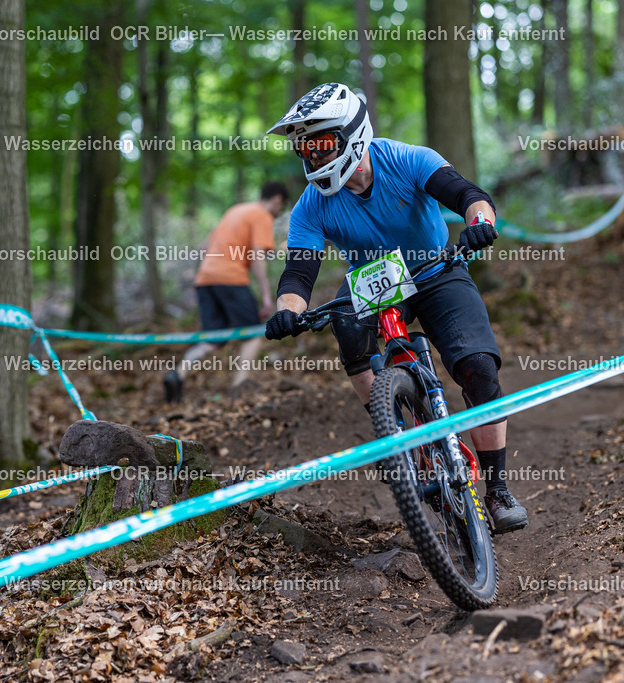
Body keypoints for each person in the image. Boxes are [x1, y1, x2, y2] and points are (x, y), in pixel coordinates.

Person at [263, 83, 527, 533]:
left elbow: (468, 194)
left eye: (322, 145)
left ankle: (498, 490)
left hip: (434, 270)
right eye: (305, 150)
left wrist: (480, 223)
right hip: (373, 286)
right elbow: (298, 274)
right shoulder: (311, 205)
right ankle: (393, 431)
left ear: (352, 134)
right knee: (345, 327)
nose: (313, 159)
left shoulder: (407, 158)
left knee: (479, 368)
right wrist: (288, 310)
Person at [163, 181, 290, 402]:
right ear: (277, 200)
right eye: (281, 208)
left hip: (205, 279)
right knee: (253, 333)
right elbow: (257, 255)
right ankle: (239, 386)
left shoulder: (235, 210)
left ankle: (177, 374)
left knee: (213, 337)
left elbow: (205, 246)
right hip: (230, 278)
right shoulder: (261, 215)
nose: (278, 214)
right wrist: (268, 295)